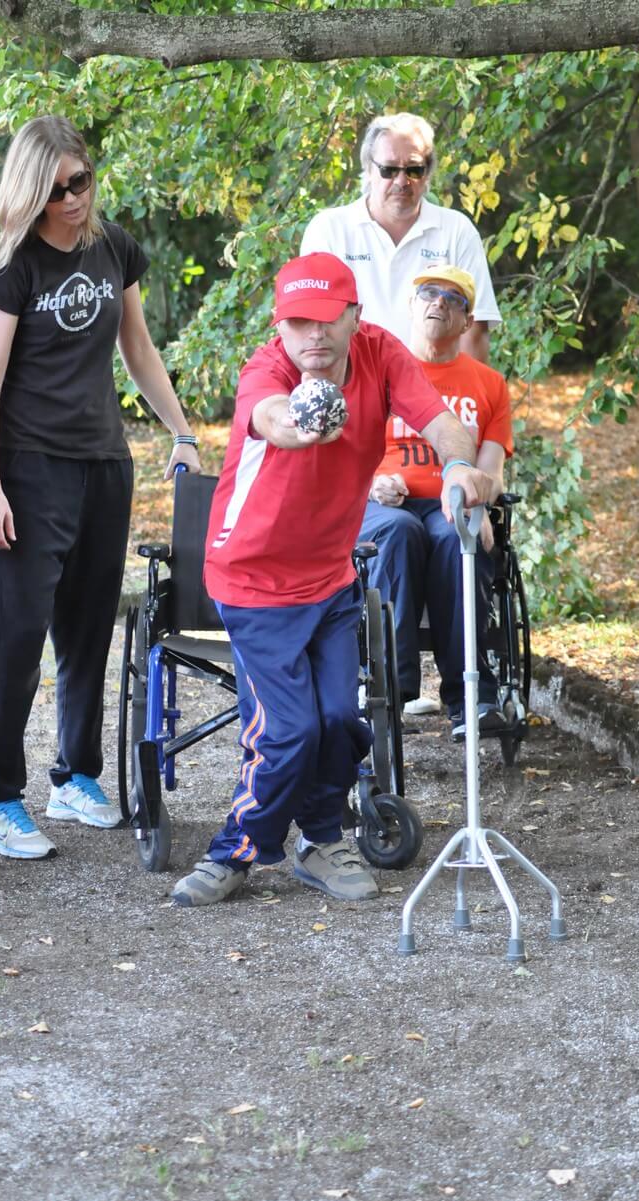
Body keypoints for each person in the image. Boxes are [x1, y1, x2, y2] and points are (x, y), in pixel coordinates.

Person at [171, 251, 493, 908]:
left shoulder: (381, 356)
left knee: (341, 719)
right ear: (279, 324)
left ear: (354, 317)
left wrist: (461, 468)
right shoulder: (267, 370)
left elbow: (442, 426)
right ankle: (232, 853)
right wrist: (305, 420)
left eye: (326, 320)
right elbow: (273, 420)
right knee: (289, 731)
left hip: (329, 576)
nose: (312, 336)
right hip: (253, 581)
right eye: (297, 322)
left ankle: (320, 840)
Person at [0, 115, 200, 861]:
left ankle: (74, 776)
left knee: (86, 630)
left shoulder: (114, 248)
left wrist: (180, 430)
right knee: (14, 637)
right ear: (29, 193)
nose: (72, 200)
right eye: (54, 192)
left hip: (103, 462)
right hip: (26, 465)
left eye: (79, 181)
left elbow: (137, 349)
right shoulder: (13, 265)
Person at [358, 264, 513, 739]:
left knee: (455, 539)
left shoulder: (489, 384)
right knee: (399, 532)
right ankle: (391, 689)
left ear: (468, 322)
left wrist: (481, 505)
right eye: (428, 292)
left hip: (451, 506)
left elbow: (491, 471)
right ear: (411, 304)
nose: (438, 302)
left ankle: (471, 697)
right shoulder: (378, 372)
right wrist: (373, 482)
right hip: (384, 509)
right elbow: (345, 456)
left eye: (454, 298)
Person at [300, 112, 501, 362]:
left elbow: (475, 330)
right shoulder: (329, 229)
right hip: (353, 384)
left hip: (433, 390)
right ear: (368, 169)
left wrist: (466, 397)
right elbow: (312, 326)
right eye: (389, 170)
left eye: (414, 170)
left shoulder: (456, 230)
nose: (402, 181)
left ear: (427, 173)